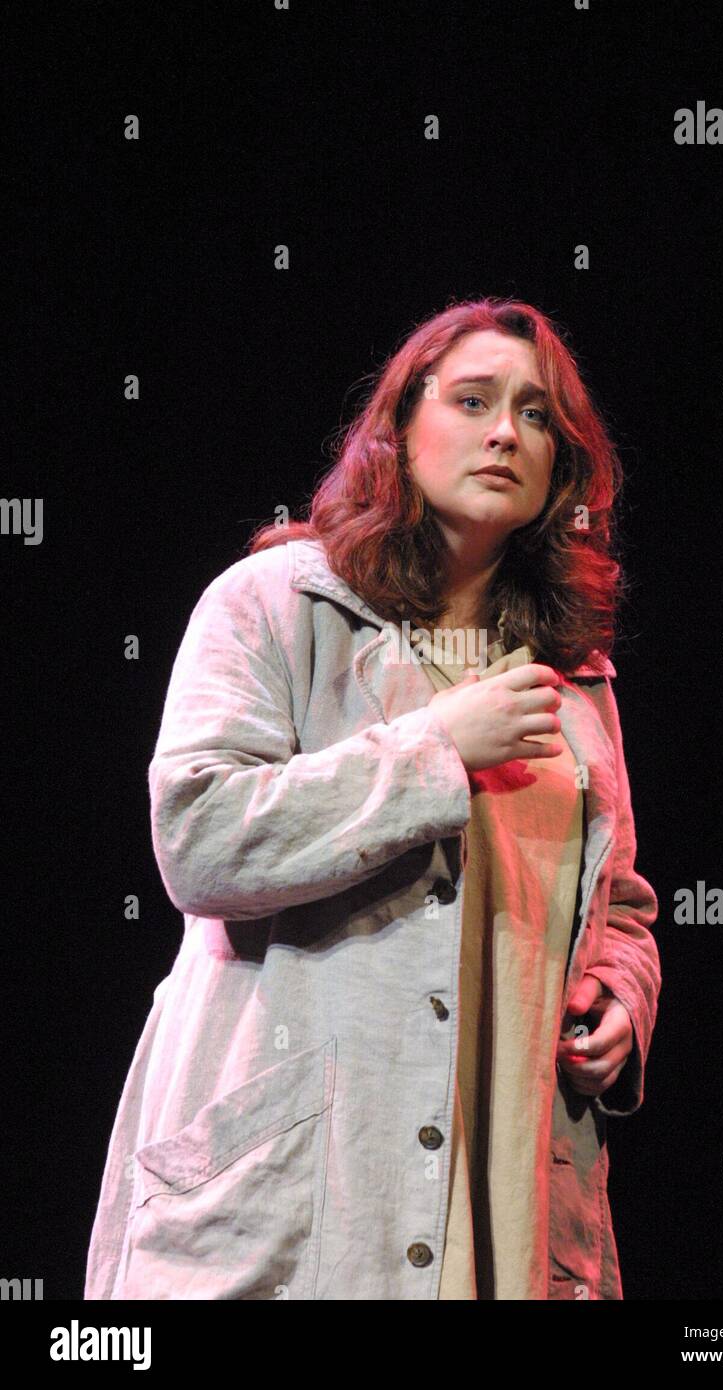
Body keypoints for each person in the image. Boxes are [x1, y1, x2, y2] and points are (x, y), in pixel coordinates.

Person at [84, 296, 661, 1301]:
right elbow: (200, 837)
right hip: (309, 1194)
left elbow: (618, 905)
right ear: (398, 428)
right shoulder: (272, 602)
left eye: (534, 415)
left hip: (509, 1189)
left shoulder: (575, 681)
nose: (502, 432)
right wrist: (437, 750)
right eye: (472, 399)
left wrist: (619, 990)